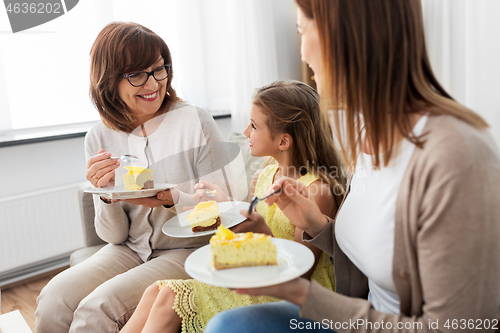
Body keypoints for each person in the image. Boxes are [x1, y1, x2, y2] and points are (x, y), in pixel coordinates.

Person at [205, 0, 500, 332]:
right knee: (227, 324)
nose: (302, 54)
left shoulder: (457, 157)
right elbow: (372, 262)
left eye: (302, 30)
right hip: (355, 316)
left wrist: (300, 292)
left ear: (340, 38)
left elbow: (460, 326)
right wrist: (319, 227)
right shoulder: (370, 138)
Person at [35, 22, 230, 333]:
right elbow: (113, 236)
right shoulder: (98, 137)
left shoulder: (194, 121)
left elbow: (225, 209)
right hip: (128, 248)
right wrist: (106, 196)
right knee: (53, 300)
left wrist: (174, 200)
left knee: (96, 311)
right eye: (137, 74)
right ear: (109, 80)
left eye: (158, 69)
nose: (153, 83)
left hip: (188, 248)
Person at [119, 80, 346, 333]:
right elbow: (247, 234)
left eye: (254, 125)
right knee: (156, 291)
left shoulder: (315, 191)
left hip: (295, 296)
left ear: (283, 141)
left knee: (169, 297)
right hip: (258, 275)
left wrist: (261, 230)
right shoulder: (264, 175)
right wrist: (222, 207)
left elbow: (297, 276)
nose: (246, 132)